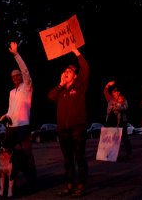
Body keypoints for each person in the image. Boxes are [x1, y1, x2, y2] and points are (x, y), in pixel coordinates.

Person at [47, 48, 89, 198]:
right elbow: (50, 97)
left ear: (75, 76)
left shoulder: (80, 86)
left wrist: (77, 52)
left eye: (69, 72)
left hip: (77, 128)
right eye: (65, 71)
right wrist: (60, 84)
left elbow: (85, 68)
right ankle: (69, 186)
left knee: (79, 157)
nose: (66, 73)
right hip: (63, 130)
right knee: (68, 159)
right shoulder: (61, 90)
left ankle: (81, 185)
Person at [0, 41, 37, 193]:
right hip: (11, 127)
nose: (15, 78)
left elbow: (26, 72)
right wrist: (3, 117)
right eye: (13, 77)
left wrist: (16, 54)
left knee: (27, 155)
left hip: (23, 125)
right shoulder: (11, 92)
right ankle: (7, 186)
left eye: (17, 76)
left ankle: (32, 184)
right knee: (8, 155)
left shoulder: (27, 87)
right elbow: (10, 110)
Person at [103, 80, 132, 157]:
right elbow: (105, 91)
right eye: (113, 92)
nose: (113, 93)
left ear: (118, 92)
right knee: (111, 138)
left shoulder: (123, 99)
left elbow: (125, 107)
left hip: (121, 122)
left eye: (115, 92)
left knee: (125, 137)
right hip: (111, 122)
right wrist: (107, 85)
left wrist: (117, 105)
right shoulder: (110, 99)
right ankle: (112, 154)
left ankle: (129, 153)